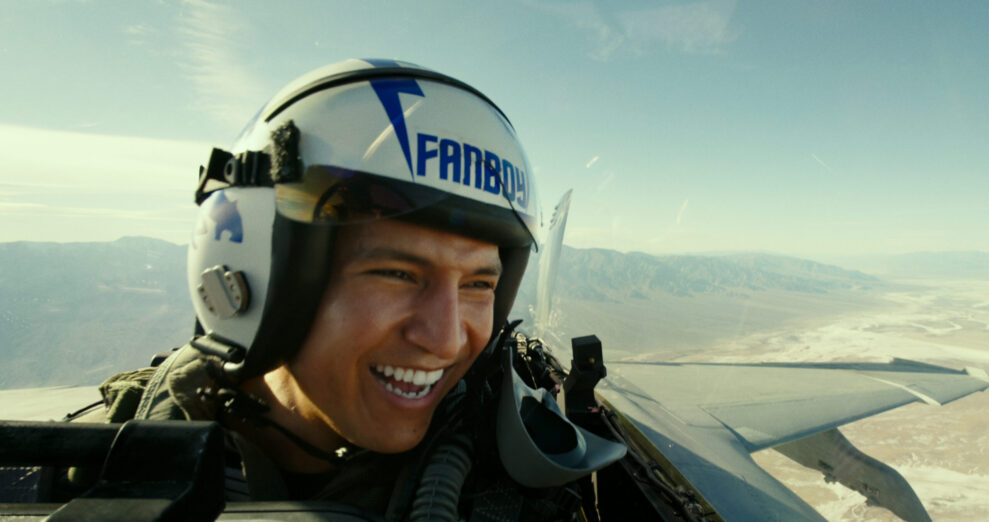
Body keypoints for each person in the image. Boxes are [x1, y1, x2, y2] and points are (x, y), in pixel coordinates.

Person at [59, 59, 624, 520]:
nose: (447, 339)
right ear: (262, 272)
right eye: (397, 274)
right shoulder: (86, 465)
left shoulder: (513, 489)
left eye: (479, 284)